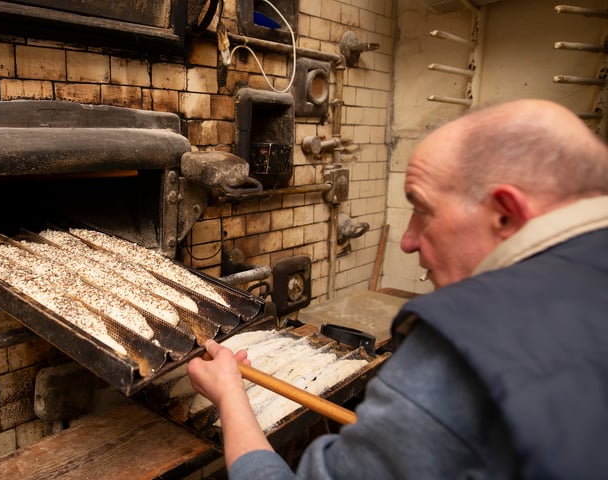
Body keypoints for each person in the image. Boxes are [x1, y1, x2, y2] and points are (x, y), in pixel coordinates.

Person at [187, 99, 608, 479]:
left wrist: (229, 395)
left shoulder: (461, 355)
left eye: (422, 210)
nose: (408, 241)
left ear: (505, 215)